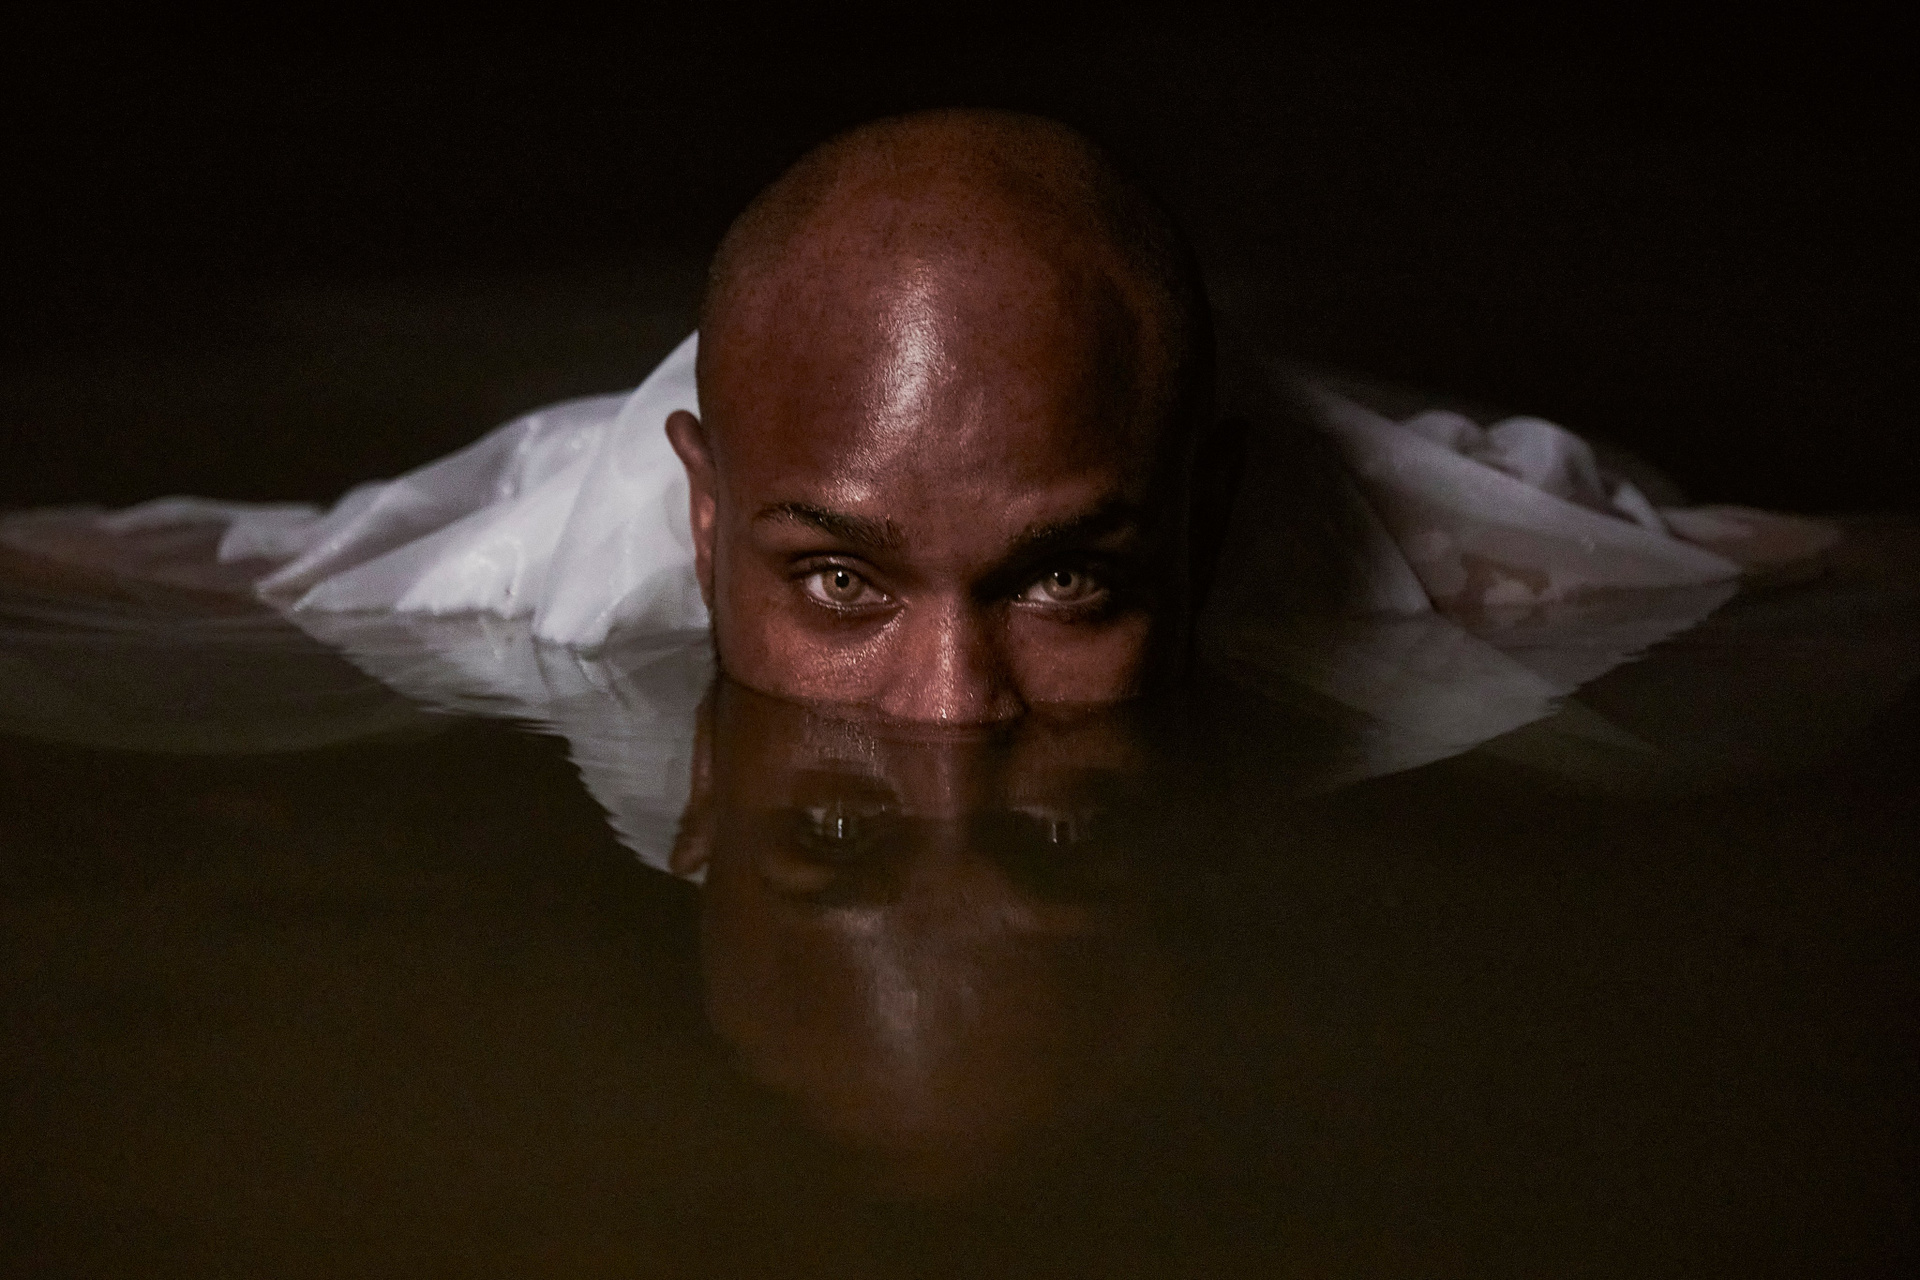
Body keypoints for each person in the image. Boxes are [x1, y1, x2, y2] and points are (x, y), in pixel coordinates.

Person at [0, 109, 1843, 749]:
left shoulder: (1440, 541)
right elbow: (187, 579)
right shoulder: (538, 556)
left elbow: (1805, 574)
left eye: (1065, 582)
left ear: (1201, 524)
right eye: (839, 583)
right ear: (703, 519)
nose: (955, 719)